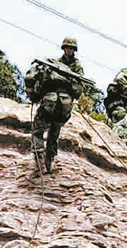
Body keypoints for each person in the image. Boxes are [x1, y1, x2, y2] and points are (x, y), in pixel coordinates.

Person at [28, 37, 85, 173]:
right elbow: (78, 91)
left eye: (70, 48)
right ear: (64, 48)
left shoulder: (55, 65)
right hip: (65, 105)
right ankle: (49, 161)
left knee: (38, 130)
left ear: (73, 50)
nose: (69, 50)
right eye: (67, 47)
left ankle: (40, 160)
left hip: (51, 102)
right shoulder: (74, 67)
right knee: (54, 132)